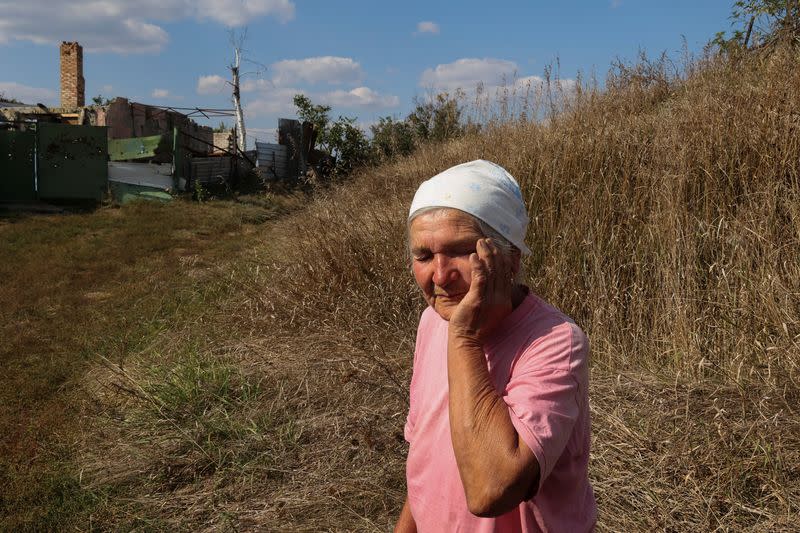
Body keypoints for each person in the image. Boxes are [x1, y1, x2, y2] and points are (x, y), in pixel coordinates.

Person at [396, 160, 596, 532]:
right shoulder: (433, 323)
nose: (439, 276)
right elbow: (427, 455)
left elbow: (490, 490)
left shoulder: (555, 342)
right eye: (423, 256)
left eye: (459, 252)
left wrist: (465, 340)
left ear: (510, 259)